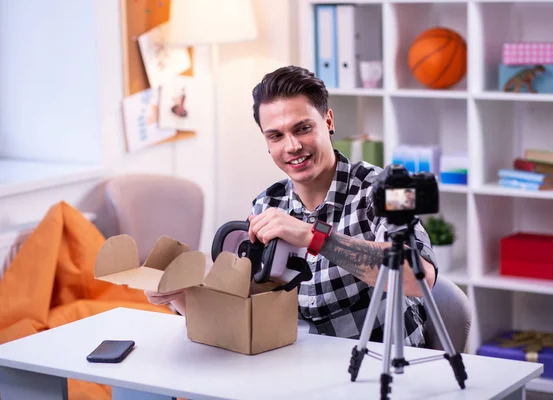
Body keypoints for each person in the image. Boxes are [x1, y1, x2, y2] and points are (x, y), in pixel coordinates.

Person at [145, 65, 438, 347]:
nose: (292, 146)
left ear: (329, 121)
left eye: (303, 128)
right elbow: (243, 316)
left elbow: (418, 278)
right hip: (301, 367)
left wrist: (314, 237)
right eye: (276, 135)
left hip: (383, 363)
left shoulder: (383, 189)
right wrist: (178, 296)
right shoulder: (267, 205)